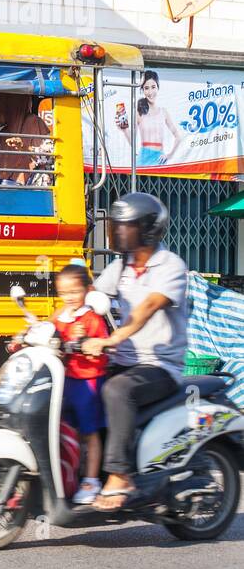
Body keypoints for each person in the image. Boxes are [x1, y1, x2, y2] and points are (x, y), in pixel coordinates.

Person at [82, 192, 188, 511]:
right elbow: (92, 299)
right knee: (83, 386)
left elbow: (148, 307)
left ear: (147, 229)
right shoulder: (121, 266)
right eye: (116, 225)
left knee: (117, 390)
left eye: (124, 226)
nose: (116, 232)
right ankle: (85, 474)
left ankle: (119, 474)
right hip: (124, 361)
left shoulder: (170, 265)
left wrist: (116, 338)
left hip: (159, 366)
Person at [51, 263, 110, 505]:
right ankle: (70, 476)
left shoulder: (92, 318)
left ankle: (91, 481)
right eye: (64, 293)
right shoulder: (59, 315)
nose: (70, 297)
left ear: (87, 290)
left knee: (90, 433)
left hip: (89, 383)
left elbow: (102, 346)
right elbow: (46, 329)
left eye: (75, 291)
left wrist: (87, 342)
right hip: (65, 382)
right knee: (69, 432)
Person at [0, 93, 50, 185]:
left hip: (31, 190)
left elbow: (48, 158)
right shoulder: (4, 132)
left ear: (10, 107)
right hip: (4, 189)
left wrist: (24, 148)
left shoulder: (34, 123)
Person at [134, 71, 184, 168]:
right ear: (143, 90)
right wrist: (123, 129)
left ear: (158, 87)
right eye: (146, 88)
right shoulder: (139, 112)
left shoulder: (163, 112)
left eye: (153, 87)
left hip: (159, 159)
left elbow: (178, 137)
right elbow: (132, 139)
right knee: (138, 183)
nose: (150, 92)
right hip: (142, 158)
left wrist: (170, 155)